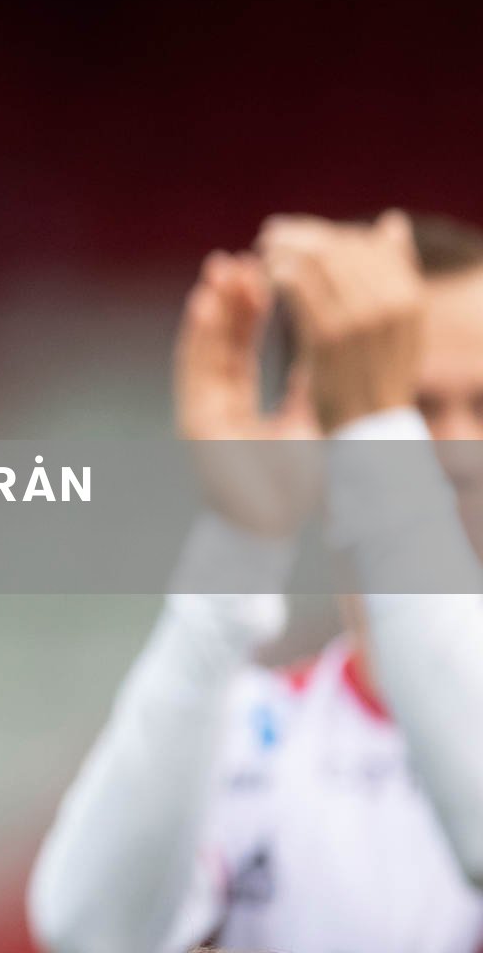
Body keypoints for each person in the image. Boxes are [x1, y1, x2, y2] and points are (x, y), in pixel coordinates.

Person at [27, 210, 483, 952]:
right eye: (414, 407)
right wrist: (242, 542)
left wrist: (375, 440)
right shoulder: (252, 738)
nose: (463, 450)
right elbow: (88, 928)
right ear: (314, 421)